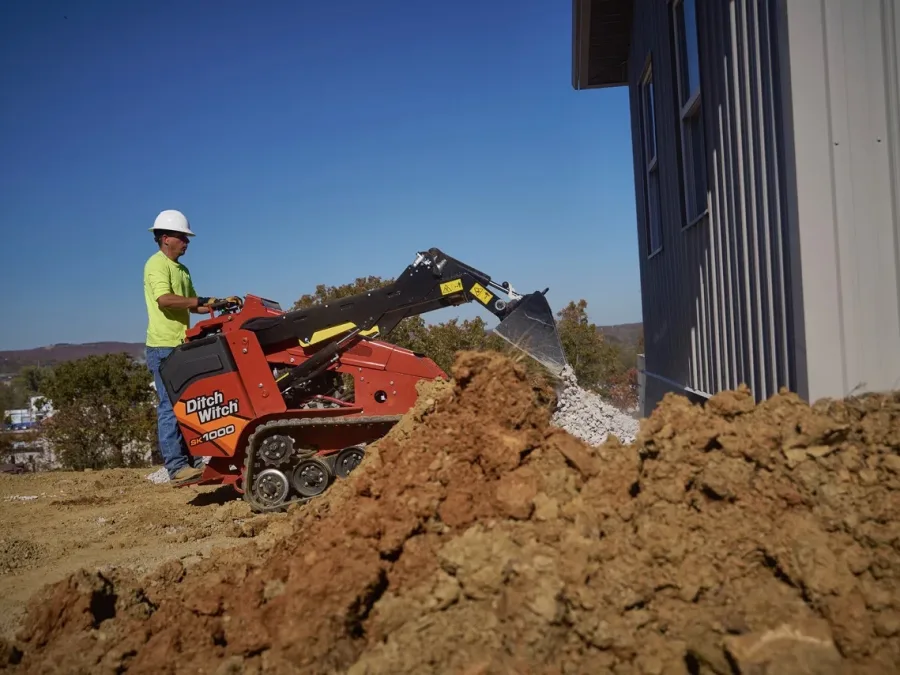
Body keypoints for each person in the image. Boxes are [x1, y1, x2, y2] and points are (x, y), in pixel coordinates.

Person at [143, 209, 239, 484]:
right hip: (162, 346)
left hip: (181, 344)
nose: (187, 241)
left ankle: (195, 461)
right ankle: (176, 467)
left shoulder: (182, 270)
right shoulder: (156, 265)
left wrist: (216, 303)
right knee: (169, 406)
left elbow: (194, 305)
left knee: (189, 403)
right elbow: (165, 300)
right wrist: (206, 300)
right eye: (182, 237)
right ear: (165, 238)